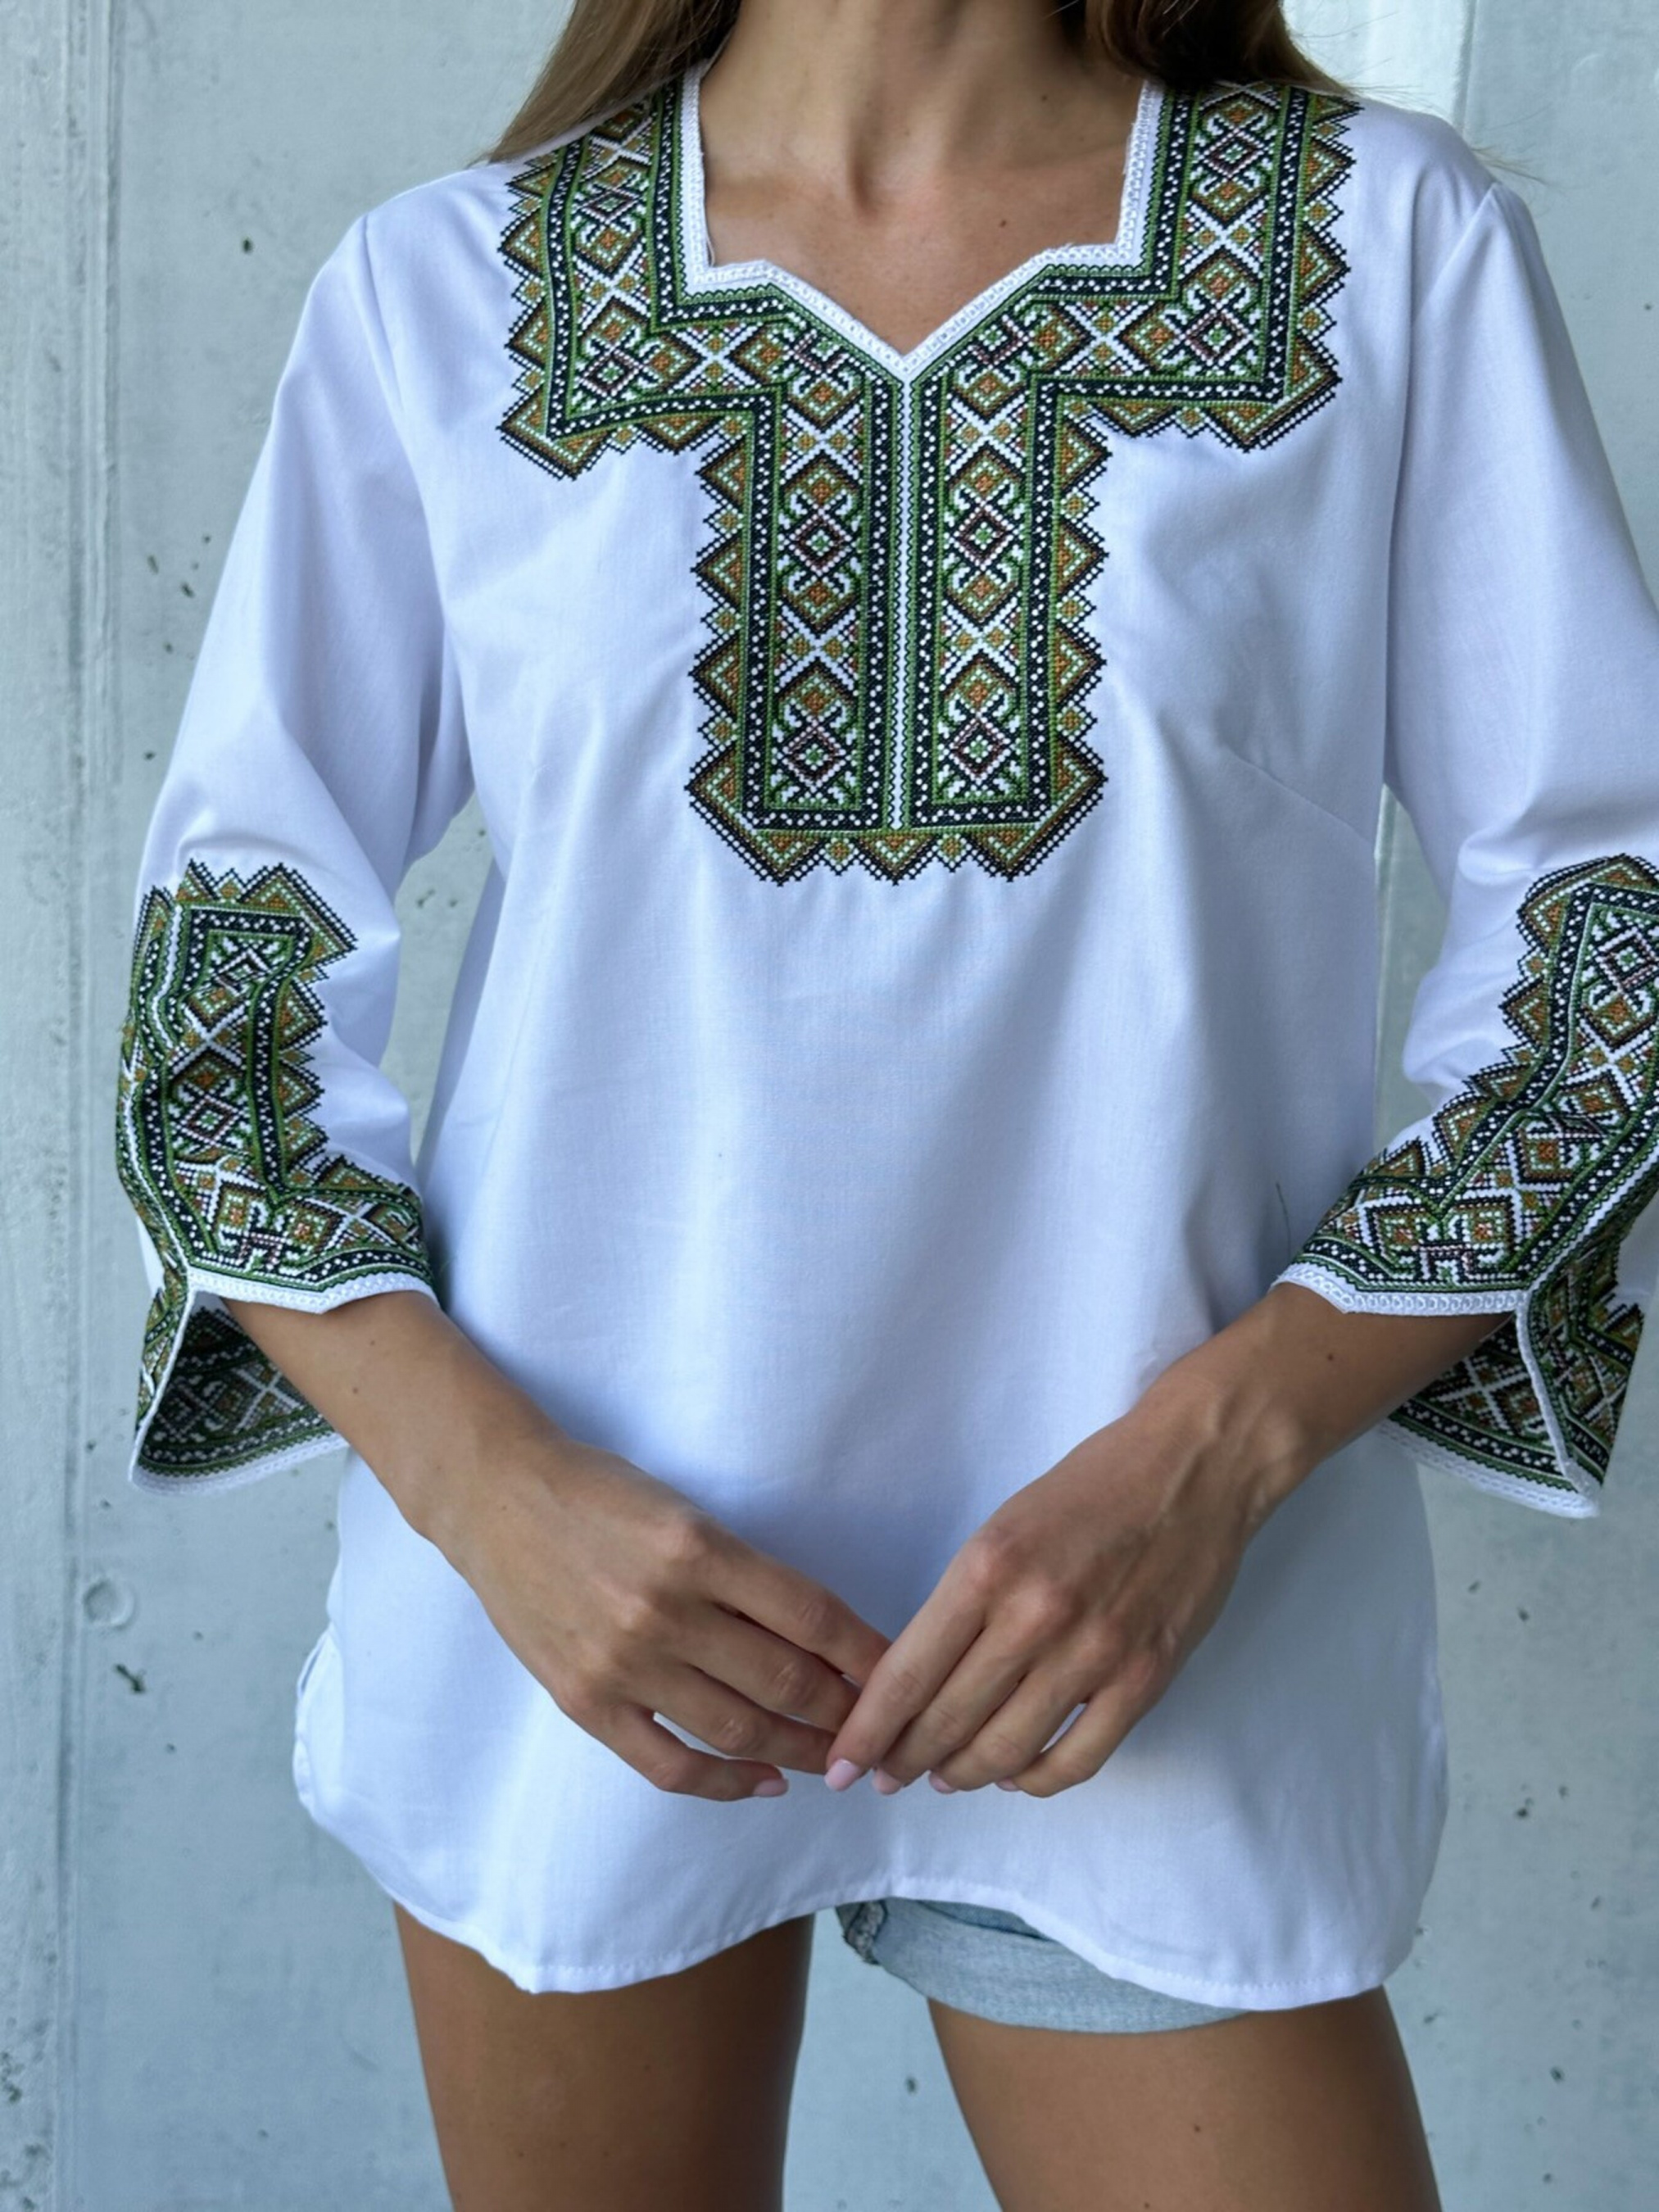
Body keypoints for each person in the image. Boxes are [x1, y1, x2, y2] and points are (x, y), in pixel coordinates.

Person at [112, 0, 1659, 2205]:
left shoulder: (1379, 249)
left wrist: (1220, 1457)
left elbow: (1607, 930)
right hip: (583, 1630)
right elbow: (226, 981)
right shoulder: (443, 289)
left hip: (1164, 1636)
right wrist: (490, 1498)